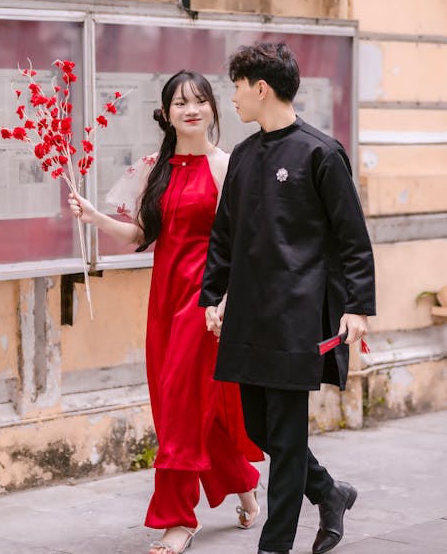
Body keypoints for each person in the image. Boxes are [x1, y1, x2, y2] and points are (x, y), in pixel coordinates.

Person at [68, 70, 262, 554]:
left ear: (214, 109)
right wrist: (95, 217)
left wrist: (225, 301)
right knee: (188, 405)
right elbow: (141, 236)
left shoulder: (227, 167)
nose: (190, 109)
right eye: (180, 103)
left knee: (179, 406)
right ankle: (243, 484)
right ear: (167, 112)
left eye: (199, 101)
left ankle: (179, 519)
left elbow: (243, 245)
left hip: (206, 302)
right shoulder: (155, 167)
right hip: (164, 301)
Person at [199, 43, 376, 554]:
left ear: (261, 88)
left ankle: (274, 546)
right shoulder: (246, 156)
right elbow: (224, 234)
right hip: (250, 313)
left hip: (298, 315)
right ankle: (329, 492)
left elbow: (352, 237)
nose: (230, 97)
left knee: (285, 426)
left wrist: (358, 306)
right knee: (260, 427)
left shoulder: (321, 152)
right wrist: (214, 296)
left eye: (236, 86)